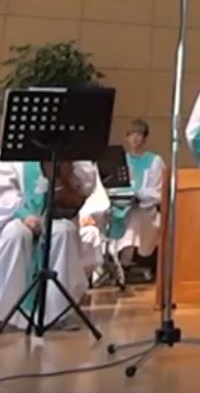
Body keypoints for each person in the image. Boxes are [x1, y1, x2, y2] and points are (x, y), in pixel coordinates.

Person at [0, 150, 99, 335]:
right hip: (14, 217)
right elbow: (0, 194)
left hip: (52, 216)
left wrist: (72, 162)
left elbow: (86, 186)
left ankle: (58, 313)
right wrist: (24, 215)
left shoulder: (62, 146)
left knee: (65, 232)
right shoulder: (9, 150)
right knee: (17, 234)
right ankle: (0, 314)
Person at [80, 119, 165, 281]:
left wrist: (138, 194)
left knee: (134, 215)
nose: (135, 138)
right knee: (99, 214)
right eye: (131, 134)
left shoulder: (155, 161)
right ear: (127, 137)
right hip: (118, 204)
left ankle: (124, 262)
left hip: (144, 209)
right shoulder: (119, 159)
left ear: (145, 138)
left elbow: (158, 191)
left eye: (139, 134)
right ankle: (101, 262)